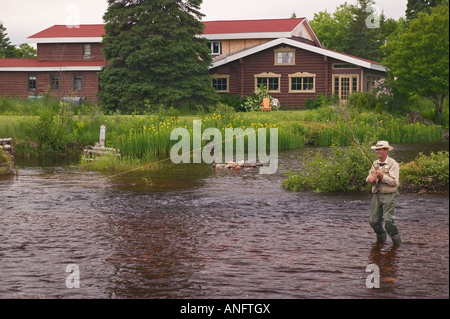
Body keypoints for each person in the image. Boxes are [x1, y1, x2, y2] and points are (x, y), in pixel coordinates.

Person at [366, 141, 401, 246]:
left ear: (386, 150)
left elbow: (395, 182)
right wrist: (370, 179)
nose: (377, 151)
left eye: (380, 149)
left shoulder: (393, 164)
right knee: (373, 221)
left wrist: (382, 177)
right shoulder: (375, 163)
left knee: (388, 221)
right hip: (377, 194)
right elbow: (368, 178)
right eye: (376, 149)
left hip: (390, 194)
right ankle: (380, 242)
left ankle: (397, 244)